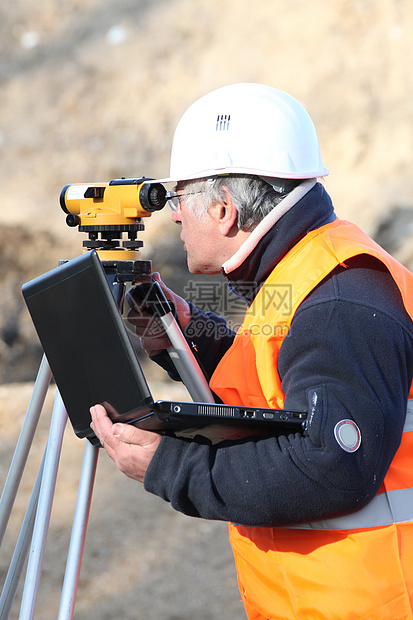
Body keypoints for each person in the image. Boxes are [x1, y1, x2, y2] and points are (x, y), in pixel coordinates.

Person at [90, 83, 413, 619]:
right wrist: (187, 333)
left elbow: (331, 464)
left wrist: (172, 465)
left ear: (222, 210)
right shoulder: (305, 273)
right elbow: (278, 391)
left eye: (178, 200)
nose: (173, 216)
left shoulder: (339, 300)